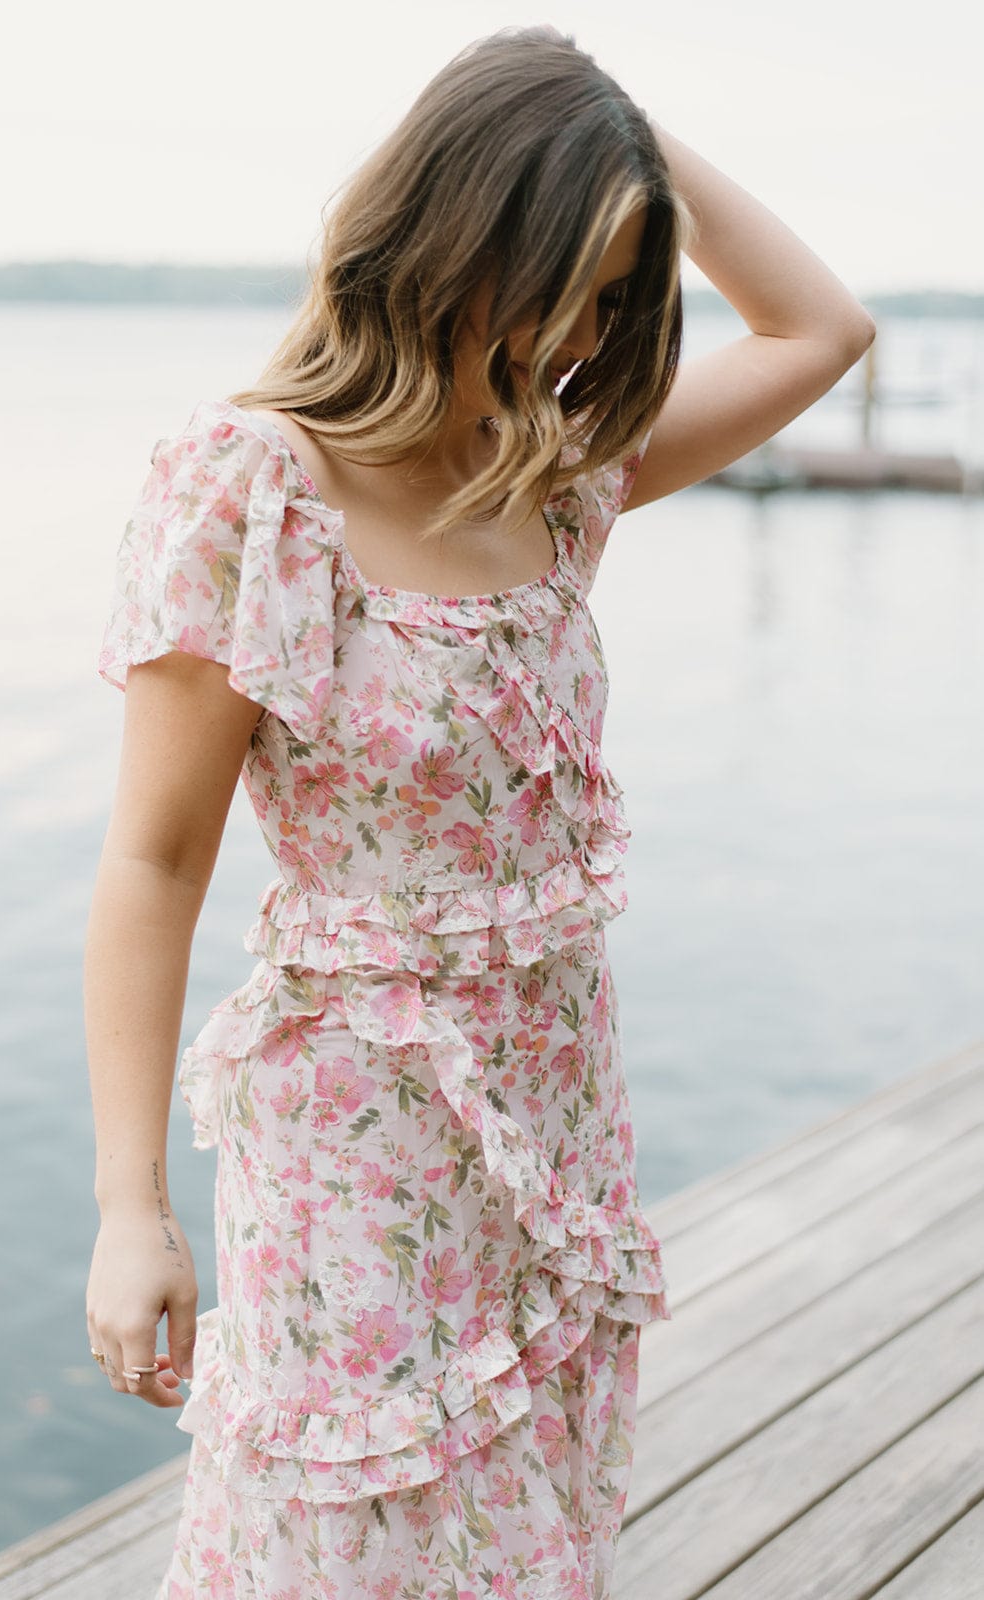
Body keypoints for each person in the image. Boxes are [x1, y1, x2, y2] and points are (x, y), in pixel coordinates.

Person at [85, 25, 874, 1599]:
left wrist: (624, 122)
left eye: (615, 291)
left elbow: (820, 325)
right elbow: (153, 861)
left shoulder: (551, 475)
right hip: (353, 1141)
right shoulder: (255, 487)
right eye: (568, 277)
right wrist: (129, 1210)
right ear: (459, 230)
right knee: (350, 1539)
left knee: (529, 1528)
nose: (585, 329)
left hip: (556, 1111)